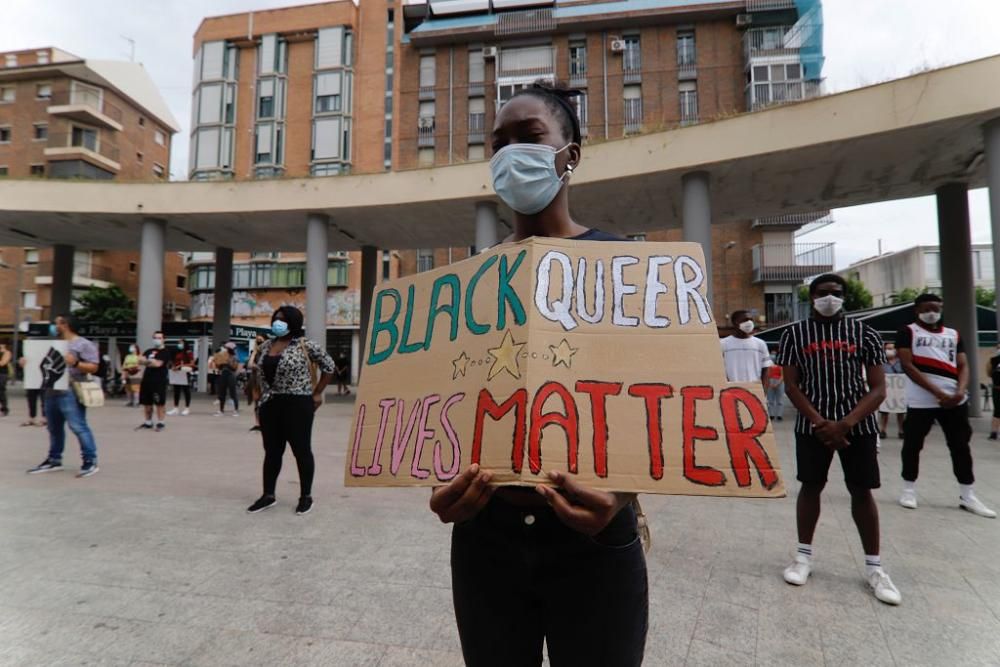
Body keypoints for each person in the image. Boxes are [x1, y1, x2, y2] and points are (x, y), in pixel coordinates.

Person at [428, 82, 648, 667]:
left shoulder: (626, 269)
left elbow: (659, 406)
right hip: (485, 539)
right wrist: (440, 482)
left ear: (569, 155)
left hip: (596, 540)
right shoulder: (469, 283)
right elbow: (449, 400)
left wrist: (620, 494)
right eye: (497, 144)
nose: (509, 155)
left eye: (528, 138)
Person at [777, 273, 900, 605]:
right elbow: (791, 385)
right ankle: (803, 557)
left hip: (856, 426)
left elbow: (878, 387)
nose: (829, 298)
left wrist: (845, 424)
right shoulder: (794, 334)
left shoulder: (866, 334)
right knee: (811, 485)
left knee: (862, 491)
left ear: (844, 297)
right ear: (812, 297)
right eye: (822, 293)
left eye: (836, 293)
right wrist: (820, 423)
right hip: (812, 426)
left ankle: (875, 567)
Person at [895, 293, 995, 518]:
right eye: (927, 308)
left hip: (954, 400)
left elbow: (963, 365)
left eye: (936, 308)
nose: (932, 312)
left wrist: (959, 391)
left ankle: (967, 494)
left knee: (960, 446)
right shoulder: (908, 332)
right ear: (917, 310)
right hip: (922, 400)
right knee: (913, 444)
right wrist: (937, 392)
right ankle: (908, 489)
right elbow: (908, 365)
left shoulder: (953, 335)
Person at [246, 306, 335, 516]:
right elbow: (257, 371)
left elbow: (329, 367)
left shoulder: (305, 345)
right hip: (270, 403)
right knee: (272, 451)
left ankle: (306, 496)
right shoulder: (267, 345)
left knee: (301, 450)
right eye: (276, 318)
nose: (278, 322)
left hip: (298, 403)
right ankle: (268, 494)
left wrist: (317, 393)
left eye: (283, 319)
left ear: (293, 322)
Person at [27, 314, 101, 477]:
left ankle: (90, 460)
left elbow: (94, 367)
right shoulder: (54, 344)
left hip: (71, 391)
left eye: (57, 323)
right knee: (54, 428)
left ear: (65, 324)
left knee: (78, 426)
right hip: (51, 391)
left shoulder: (84, 344)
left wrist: (75, 363)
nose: (54, 326)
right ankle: (54, 459)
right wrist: (28, 362)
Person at [720, 310, 772, 389]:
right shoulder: (723, 344)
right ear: (734, 323)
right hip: (730, 392)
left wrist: (763, 392)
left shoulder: (760, 344)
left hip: (754, 392)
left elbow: (766, 370)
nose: (749, 322)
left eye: (751, 320)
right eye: (745, 320)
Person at [138, 331, 171, 431]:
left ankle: (161, 422)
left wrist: (147, 361)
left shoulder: (165, 352)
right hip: (147, 380)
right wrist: (150, 361)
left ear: (163, 339)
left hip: (159, 381)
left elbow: (158, 364)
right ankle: (148, 422)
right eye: (155, 337)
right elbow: (139, 360)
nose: (157, 339)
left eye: (159, 338)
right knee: (147, 403)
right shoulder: (149, 351)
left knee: (159, 403)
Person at [878, 342, 905, 439]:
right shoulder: (881, 362)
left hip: (899, 391)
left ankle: (901, 430)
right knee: (885, 412)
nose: (890, 351)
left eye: (892, 348)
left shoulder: (901, 362)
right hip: (887, 390)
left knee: (900, 412)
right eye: (888, 348)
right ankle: (883, 430)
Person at [167, 339, 195, 416]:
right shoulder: (177, 352)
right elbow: (174, 361)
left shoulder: (188, 352)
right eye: (178, 343)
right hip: (176, 372)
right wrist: (173, 366)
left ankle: (187, 408)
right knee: (176, 390)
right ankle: (175, 408)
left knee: (186, 390)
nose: (179, 344)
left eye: (181, 343)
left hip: (184, 372)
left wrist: (180, 366)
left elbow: (192, 364)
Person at [212, 342, 240, 417]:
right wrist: (218, 363)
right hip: (223, 374)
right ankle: (221, 410)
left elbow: (235, 367)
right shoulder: (223, 355)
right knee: (222, 393)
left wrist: (228, 362)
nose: (225, 349)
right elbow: (219, 366)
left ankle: (236, 410)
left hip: (231, 375)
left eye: (227, 348)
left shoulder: (234, 356)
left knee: (233, 393)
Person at [246, 334, 266, 432]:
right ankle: (257, 423)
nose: (258, 342)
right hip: (255, 380)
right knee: (257, 402)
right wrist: (254, 352)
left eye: (260, 340)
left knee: (265, 402)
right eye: (257, 341)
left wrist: (257, 366)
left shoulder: (268, 352)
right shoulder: (255, 353)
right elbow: (250, 365)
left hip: (266, 380)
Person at [766, 348, 785, 421]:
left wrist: (777, 383)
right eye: (771, 354)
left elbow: (782, 375)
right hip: (770, 382)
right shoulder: (768, 366)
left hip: (779, 382)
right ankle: (771, 415)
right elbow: (767, 375)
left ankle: (779, 415)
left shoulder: (780, 365)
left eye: (774, 354)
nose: (772, 356)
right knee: (770, 400)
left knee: (780, 400)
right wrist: (769, 383)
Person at [988, 345, 1000, 440]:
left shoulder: (993, 360)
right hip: (997, 389)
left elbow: (989, 372)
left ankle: (994, 432)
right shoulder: (993, 360)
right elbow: (989, 372)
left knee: (997, 411)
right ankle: (994, 432)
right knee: (997, 411)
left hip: (996, 388)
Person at [0, 342, 10, 417]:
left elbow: (3, 363)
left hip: (3, 374)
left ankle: (4, 409)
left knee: (1, 391)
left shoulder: (7, 352)